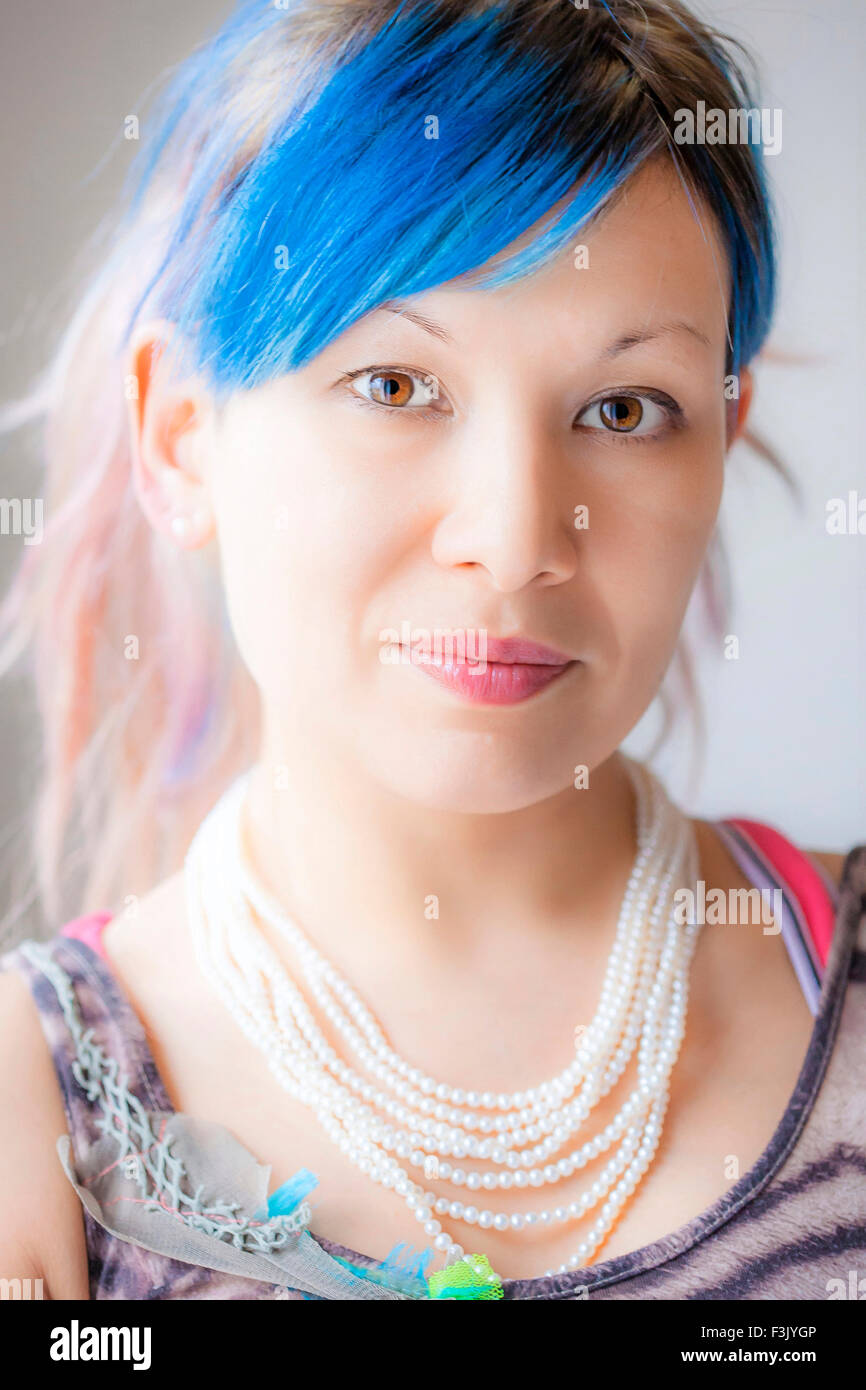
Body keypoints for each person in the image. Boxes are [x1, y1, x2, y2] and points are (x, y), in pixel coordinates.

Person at [0, 0, 862, 1302]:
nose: (516, 538)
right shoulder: (36, 1114)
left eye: (623, 409)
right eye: (394, 386)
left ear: (719, 440)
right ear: (179, 437)